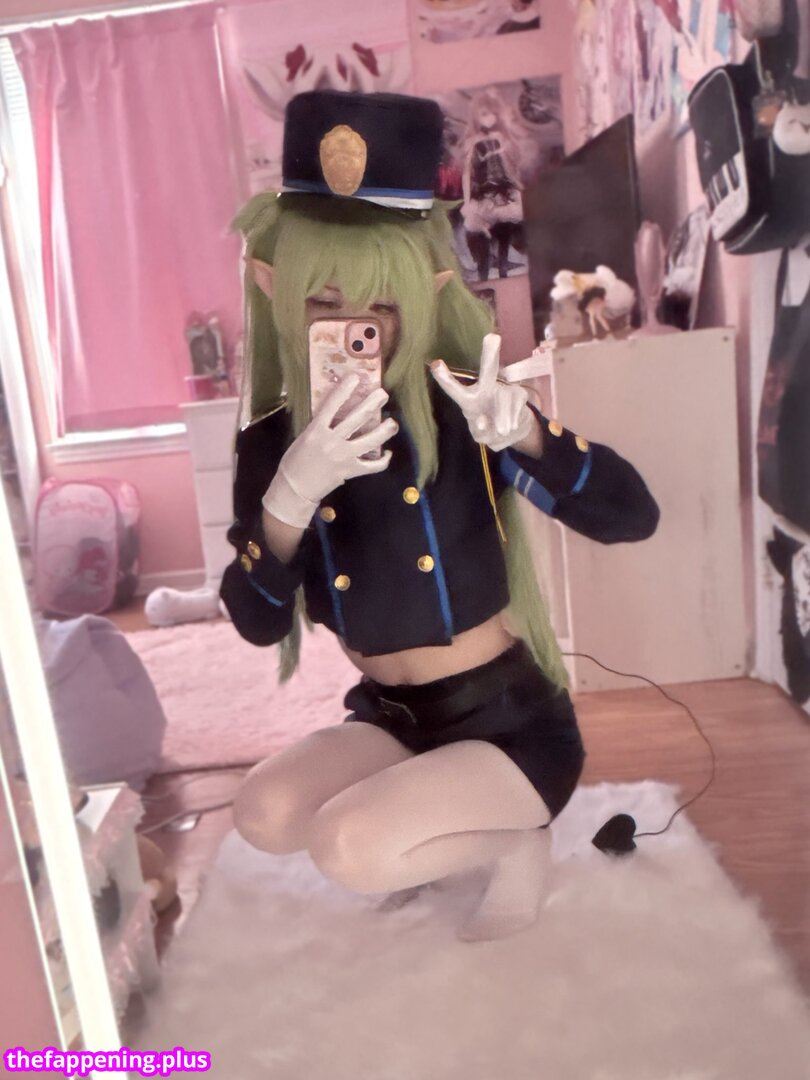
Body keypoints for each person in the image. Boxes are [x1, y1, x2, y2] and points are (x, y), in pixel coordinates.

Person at [220, 90, 659, 941]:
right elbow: (255, 621)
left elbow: (631, 516)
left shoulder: (463, 407)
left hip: (506, 726)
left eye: (382, 307)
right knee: (264, 814)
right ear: (273, 287)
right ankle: (422, 815)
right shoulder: (273, 442)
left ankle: (516, 841)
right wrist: (287, 500)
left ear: (425, 297)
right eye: (323, 303)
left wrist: (528, 435)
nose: (354, 329)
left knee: (347, 847)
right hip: (389, 719)